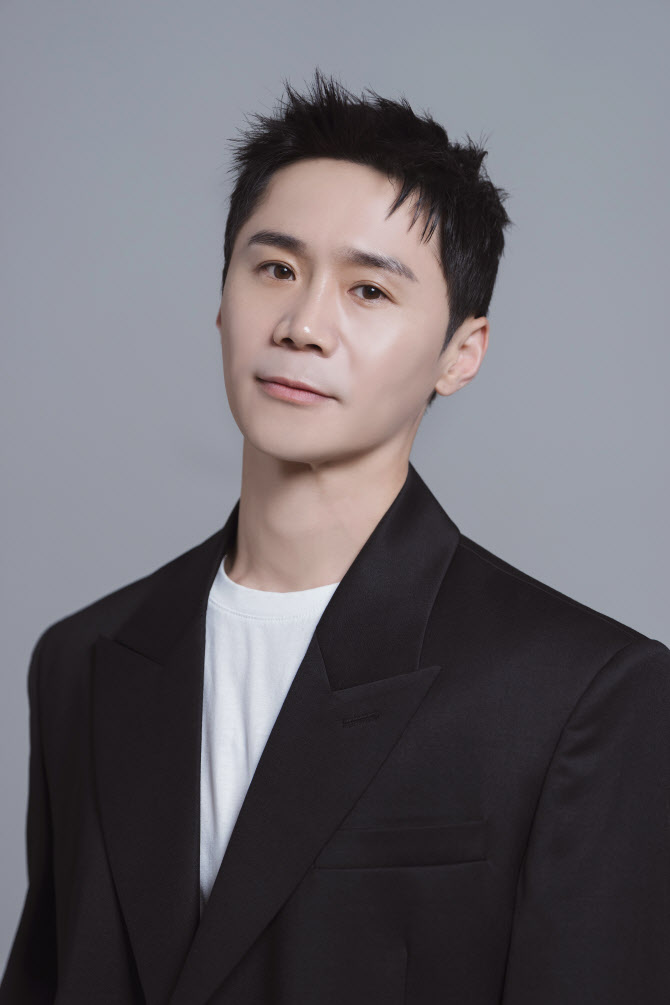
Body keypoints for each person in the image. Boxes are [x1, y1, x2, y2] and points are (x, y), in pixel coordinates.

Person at [1, 68, 668, 1005]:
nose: (304, 325)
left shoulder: (581, 693)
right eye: (276, 269)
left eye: (369, 290)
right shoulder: (80, 661)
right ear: (223, 297)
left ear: (461, 352)